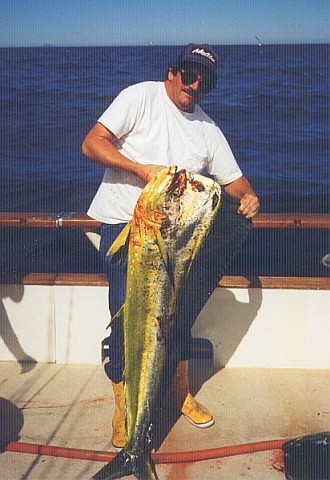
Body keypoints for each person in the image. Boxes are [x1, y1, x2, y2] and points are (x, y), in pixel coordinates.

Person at [82, 43, 260, 448]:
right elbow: (92, 143)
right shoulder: (139, 97)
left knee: (176, 318)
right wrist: (140, 170)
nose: (195, 84)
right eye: (189, 73)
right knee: (125, 318)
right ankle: (124, 405)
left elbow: (237, 184)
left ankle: (178, 393)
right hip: (128, 226)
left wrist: (250, 197)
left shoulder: (207, 129)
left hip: (174, 243)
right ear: (172, 71)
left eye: (205, 80)